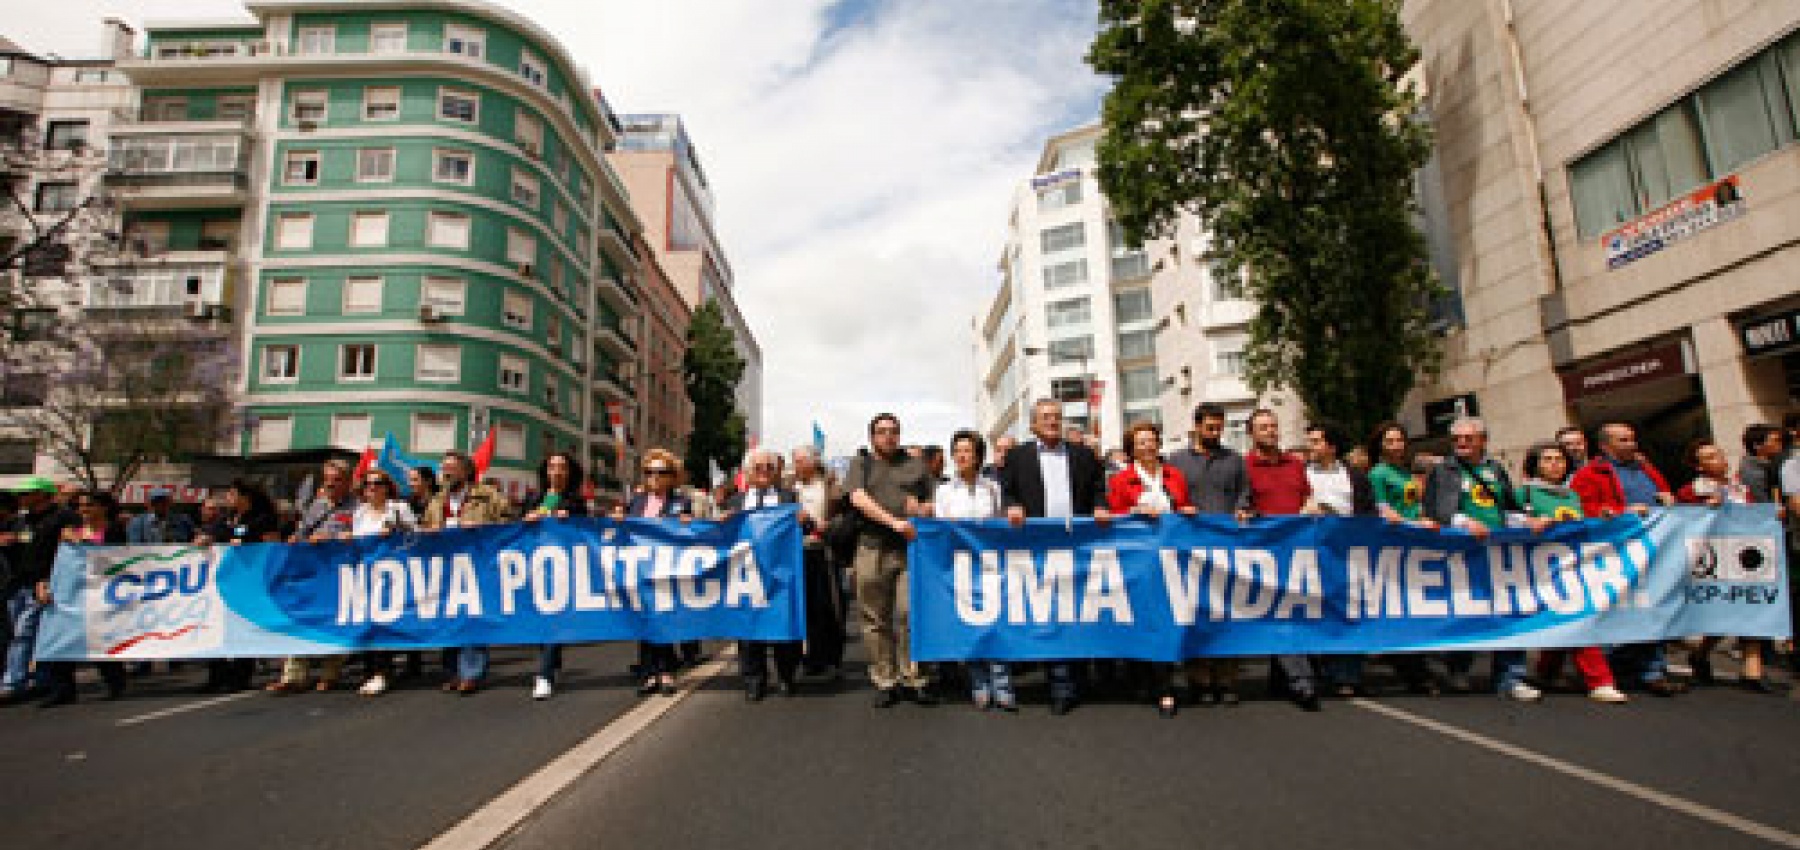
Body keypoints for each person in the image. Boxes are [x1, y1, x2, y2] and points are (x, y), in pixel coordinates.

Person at [1422, 417, 1546, 702]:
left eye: (1468, 438)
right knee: (1469, 611)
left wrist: (1528, 521)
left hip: (1499, 552)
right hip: (1463, 554)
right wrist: (1465, 522)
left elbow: (1507, 508)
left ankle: (1511, 676)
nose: (1462, 443)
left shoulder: (1495, 470)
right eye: (1457, 439)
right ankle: (1459, 667)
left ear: (1483, 440)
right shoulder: (1444, 471)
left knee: (1509, 611)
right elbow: (1438, 511)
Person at [1000, 399, 1110, 715]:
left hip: (1079, 546)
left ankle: (1078, 677)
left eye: (1057, 417)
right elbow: (1007, 491)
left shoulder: (1082, 455)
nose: (1052, 422)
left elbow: (1097, 488)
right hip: (1037, 548)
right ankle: (1060, 685)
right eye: (1046, 417)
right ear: (1033, 424)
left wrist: (1100, 506)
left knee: (1079, 611)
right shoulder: (1018, 456)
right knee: (1051, 613)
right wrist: (1012, 506)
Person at [1570, 421, 1684, 697]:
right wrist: (1622, 511)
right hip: (1614, 555)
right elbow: (1581, 511)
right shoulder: (1589, 475)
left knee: (1652, 609)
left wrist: (1670, 500)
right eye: (1623, 440)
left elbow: (1668, 497)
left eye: (1632, 439)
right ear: (1605, 446)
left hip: (1651, 552)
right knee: (1615, 611)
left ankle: (1653, 671)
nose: (1631, 445)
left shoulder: (1647, 470)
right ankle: (1612, 667)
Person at [1518, 442, 1628, 704]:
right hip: (1541, 566)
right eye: (1547, 459)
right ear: (1535, 465)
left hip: (1575, 566)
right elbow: (1509, 519)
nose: (1555, 464)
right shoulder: (1525, 493)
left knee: (1567, 617)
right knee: (1576, 618)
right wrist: (1529, 522)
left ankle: (1546, 670)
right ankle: (1599, 680)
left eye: (1559, 459)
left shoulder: (1571, 495)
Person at [846, 412, 938, 708]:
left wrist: (924, 510)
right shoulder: (861, 463)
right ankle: (885, 679)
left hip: (910, 550)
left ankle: (914, 677)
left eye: (894, 431)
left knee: (911, 614)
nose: (888, 436)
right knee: (875, 618)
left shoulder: (916, 465)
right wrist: (894, 521)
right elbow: (858, 499)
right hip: (871, 548)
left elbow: (934, 502)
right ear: (872, 437)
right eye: (882, 431)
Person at [1166, 402, 1253, 706]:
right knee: (1196, 614)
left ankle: (1227, 680)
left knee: (1227, 614)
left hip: (1228, 549)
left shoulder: (1234, 460)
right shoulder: (1175, 462)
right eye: (1210, 427)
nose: (1216, 432)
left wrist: (1243, 508)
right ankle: (1199, 680)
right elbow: (1167, 499)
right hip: (1190, 551)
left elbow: (1245, 492)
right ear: (1197, 426)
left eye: (1220, 427)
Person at [1106, 421, 1193, 717]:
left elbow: (1184, 506)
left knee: (1167, 618)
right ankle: (1143, 677)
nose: (1147, 446)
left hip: (1172, 559)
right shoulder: (1121, 480)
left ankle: (1165, 685)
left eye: (1151, 441)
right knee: (1142, 616)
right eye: (1140, 442)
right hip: (1138, 560)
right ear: (1131, 448)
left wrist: (1186, 511)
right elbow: (1114, 517)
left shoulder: (1175, 475)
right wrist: (1134, 513)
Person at [1676, 437, 1773, 693]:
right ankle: (1701, 653)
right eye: (1709, 457)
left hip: (1746, 556)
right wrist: (1705, 508)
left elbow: (1754, 515)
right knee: (1722, 611)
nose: (1719, 460)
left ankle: (1753, 670)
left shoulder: (1740, 488)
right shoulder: (1692, 491)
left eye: (1719, 454)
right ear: (1698, 466)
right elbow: (1684, 521)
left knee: (1751, 606)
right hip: (1714, 558)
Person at [1243, 408, 1324, 711]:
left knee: (1296, 613)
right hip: (1266, 552)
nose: (1271, 431)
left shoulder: (1295, 464)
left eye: (1274, 426)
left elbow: (1306, 496)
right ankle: (1302, 681)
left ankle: (1282, 679)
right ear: (1251, 433)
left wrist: (1311, 506)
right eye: (1263, 427)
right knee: (1282, 614)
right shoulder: (1245, 466)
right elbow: (1242, 504)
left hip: (1300, 550)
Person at [422, 450, 516, 694]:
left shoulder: (488, 496)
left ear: (466, 471)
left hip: (478, 566)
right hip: (445, 568)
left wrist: (482, 527)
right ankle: (453, 671)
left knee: (473, 617)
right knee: (450, 621)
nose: (446, 472)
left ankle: (471, 672)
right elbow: (424, 527)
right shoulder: (436, 500)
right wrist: (429, 530)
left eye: (451, 468)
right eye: (444, 468)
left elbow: (509, 524)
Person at [934, 429, 1011, 711]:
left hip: (990, 565)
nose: (962, 455)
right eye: (958, 450)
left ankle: (1002, 684)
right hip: (960, 566)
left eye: (968, 450)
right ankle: (979, 683)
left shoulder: (993, 487)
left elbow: (1002, 521)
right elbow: (939, 529)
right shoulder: (944, 490)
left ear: (978, 455)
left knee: (996, 623)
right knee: (970, 624)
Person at [267, 460, 360, 694]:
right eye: (327, 479)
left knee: (333, 622)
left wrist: (334, 537)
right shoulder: (316, 506)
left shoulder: (357, 506)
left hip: (340, 574)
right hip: (313, 573)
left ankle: (330, 674)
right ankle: (293, 676)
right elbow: (302, 532)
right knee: (300, 619)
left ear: (348, 482)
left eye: (336, 480)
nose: (330, 484)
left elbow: (362, 535)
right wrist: (296, 539)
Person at [726, 448, 808, 700]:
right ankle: (754, 679)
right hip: (747, 572)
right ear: (748, 472)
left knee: (783, 623)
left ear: (776, 472)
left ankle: (786, 675)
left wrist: (804, 520)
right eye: (758, 468)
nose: (763, 472)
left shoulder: (788, 498)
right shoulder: (735, 502)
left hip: (781, 573)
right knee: (749, 627)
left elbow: (806, 529)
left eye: (769, 468)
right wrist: (723, 521)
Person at [614, 448, 694, 697]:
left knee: (665, 619)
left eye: (661, 472)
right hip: (639, 569)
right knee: (644, 621)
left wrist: (687, 522)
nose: (654, 478)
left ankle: (666, 671)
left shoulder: (681, 502)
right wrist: (618, 519)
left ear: (672, 476)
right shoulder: (636, 502)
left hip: (667, 570)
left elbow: (690, 533)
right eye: (649, 472)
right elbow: (624, 531)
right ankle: (649, 673)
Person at [37, 491, 129, 707]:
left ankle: (115, 681)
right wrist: (43, 582)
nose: (83, 510)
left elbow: (119, 559)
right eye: (79, 506)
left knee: (100, 637)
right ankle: (62, 689)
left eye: (89, 505)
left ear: (103, 508)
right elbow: (54, 562)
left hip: (102, 593)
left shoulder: (114, 531)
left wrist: (85, 543)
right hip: (72, 593)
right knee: (63, 636)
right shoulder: (69, 533)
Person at [1305, 422, 1377, 696]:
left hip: (1348, 554)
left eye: (1316, 441)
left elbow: (1368, 513)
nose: (1310, 446)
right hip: (1311, 555)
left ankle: (1347, 674)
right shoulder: (1302, 474)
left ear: (1331, 446)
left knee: (1349, 611)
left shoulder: (1355, 476)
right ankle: (1319, 669)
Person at [195, 480, 281, 693]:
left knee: (244, 627)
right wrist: (206, 538)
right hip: (225, 582)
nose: (228, 498)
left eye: (232, 494)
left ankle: (240, 676)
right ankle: (217, 676)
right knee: (218, 628)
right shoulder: (227, 519)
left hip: (250, 582)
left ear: (245, 497)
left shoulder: (262, 519)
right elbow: (215, 534)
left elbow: (273, 545)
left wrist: (248, 545)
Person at [344, 469, 418, 698]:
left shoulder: (399, 509)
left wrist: (395, 531)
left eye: (377, 483)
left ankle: (382, 671)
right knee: (368, 622)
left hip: (393, 574)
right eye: (367, 484)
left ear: (387, 487)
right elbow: (358, 541)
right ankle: (370, 670)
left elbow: (414, 536)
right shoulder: (360, 512)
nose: (372, 488)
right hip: (366, 575)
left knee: (384, 621)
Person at [519, 451, 587, 700]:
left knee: (552, 620)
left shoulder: (576, 502)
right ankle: (554, 661)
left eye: (562, 467)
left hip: (563, 569)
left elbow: (585, 532)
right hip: (535, 567)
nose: (556, 471)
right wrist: (528, 518)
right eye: (552, 466)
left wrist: (571, 520)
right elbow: (519, 529)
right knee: (541, 621)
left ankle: (544, 675)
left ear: (569, 473)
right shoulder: (534, 498)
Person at [1, 477, 71, 704]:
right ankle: (39, 679)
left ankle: (14, 683)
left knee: (25, 633)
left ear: (42, 494)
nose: (22, 498)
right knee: (23, 634)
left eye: (27, 493)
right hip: (18, 584)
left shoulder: (60, 518)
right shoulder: (21, 522)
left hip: (46, 583)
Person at [791, 445, 845, 680]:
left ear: (813, 462)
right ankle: (811, 658)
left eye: (801, 461)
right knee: (805, 607)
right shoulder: (789, 487)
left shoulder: (831, 484)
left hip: (825, 552)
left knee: (830, 606)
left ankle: (832, 659)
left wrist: (827, 526)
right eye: (795, 461)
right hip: (796, 552)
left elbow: (844, 514)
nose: (797, 466)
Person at [126, 488, 198, 545]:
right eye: (155, 503)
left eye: (164, 502)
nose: (160, 506)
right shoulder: (137, 523)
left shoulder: (183, 521)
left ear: (170, 503)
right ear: (148, 504)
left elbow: (195, 537)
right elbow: (135, 548)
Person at [1738, 423, 1786, 506]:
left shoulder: (1769, 465)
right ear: (1757, 445)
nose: (1780, 444)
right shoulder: (1753, 473)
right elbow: (1764, 506)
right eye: (1776, 440)